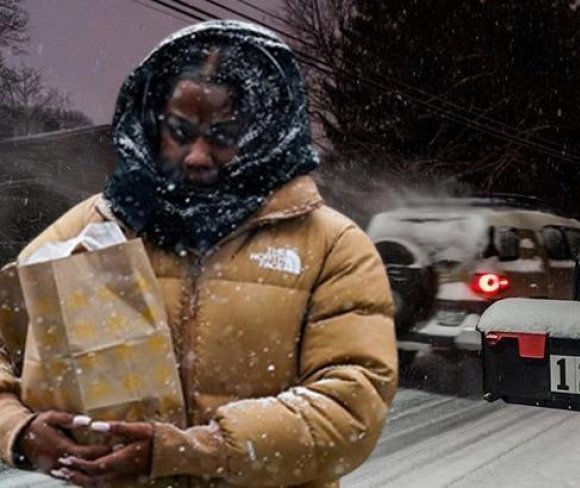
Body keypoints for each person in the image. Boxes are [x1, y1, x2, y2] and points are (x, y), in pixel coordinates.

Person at [0, 20, 397, 487]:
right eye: (180, 130)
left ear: (268, 133)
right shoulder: (91, 230)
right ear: (152, 123)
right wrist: (19, 432)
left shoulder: (332, 247)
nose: (196, 156)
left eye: (224, 134)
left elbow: (352, 408)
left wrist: (191, 451)